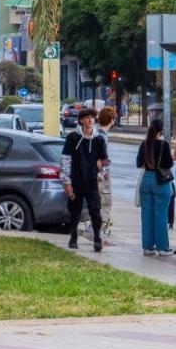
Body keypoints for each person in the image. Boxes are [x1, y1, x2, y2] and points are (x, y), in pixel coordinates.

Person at [61, 108, 109, 252]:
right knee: (74, 211)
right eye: (87, 118)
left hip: (92, 181)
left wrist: (101, 171)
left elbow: (105, 160)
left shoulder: (99, 139)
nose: (90, 120)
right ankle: (73, 236)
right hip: (76, 179)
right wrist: (66, 181)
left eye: (92, 118)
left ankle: (97, 239)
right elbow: (65, 160)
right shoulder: (72, 138)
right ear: (81, 120)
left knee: (95, 211)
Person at [137, 117, 175, 256]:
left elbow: (138, 163)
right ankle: (162, 247)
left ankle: (147, 247)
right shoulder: (164, 145)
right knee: (161, 214)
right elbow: (169, 164)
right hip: (160, 181)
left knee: (146, 214)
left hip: (146, 179)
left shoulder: (144, 144)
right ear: (161, 130)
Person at [82, 106, 117, 241]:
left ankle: (94, 230)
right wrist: (104, 173)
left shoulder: (94, 133)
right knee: (105, 204)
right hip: (100, 178)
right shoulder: (102, 137)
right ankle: (95, 231)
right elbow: (100, 159)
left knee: (97, 204)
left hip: (90, 176)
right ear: (112, 120)